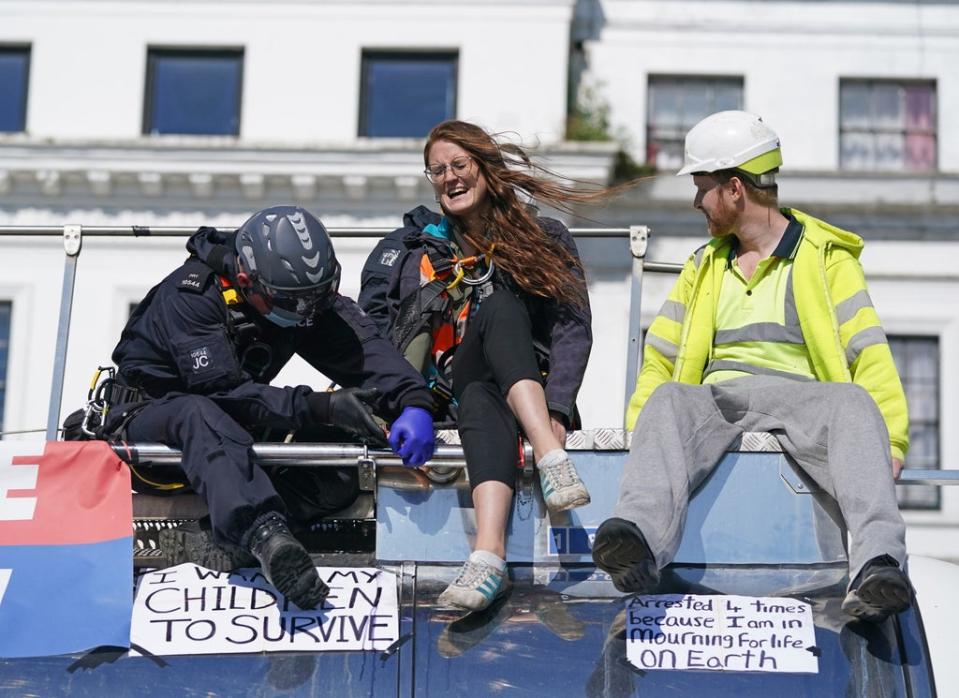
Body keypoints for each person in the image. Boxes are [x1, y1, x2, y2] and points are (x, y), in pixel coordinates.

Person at [591, 110, 913, 623]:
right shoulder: (702, 266)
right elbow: (662, 360)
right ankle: (638, 544)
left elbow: (867, 351)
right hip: (717, 403)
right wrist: (640, 435)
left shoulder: (828, 260)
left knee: (853, 402)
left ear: (735, 189)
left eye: (702, 188)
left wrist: (890, 441)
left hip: (804, 403)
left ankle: (878, 564)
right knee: (668, 397)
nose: (697, 201)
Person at [105, 205, 435, 609]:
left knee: (341, 445)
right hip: (154, 426)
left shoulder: (298, 300)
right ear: (246, 281)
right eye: (298, 305)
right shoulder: (190, 297)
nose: (308, 315)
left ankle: (227, 543)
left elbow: (364, 351)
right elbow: (223, 394)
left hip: (234, 433)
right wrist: (322, 406)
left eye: (317, 301)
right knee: (199, 412)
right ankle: (264, 534)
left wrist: (413, 402)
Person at [360, 120, 602, 611]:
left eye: (459, 165)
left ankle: (487, 555)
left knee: (495, 327)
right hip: (442, 395)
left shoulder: (544, 237)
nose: (449, 178)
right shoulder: (415, 250)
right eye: (437, 170)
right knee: (482, 351)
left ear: (487, 169)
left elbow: (571, 329)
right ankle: (551, 460)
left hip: (519, 399)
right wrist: (401, 404)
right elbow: (379, 330)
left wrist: (557, 407)